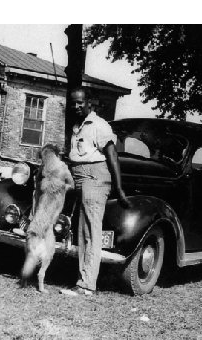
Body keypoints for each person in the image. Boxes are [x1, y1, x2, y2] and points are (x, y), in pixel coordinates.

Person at [66, 88, 130, 295]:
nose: (77, 106)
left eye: (80, 103)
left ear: (89, 104)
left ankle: (87, 285)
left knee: (91, 232)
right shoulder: (78, 126)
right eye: (73, 103)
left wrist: (119, 188)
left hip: (94, 177)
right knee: (82, 230)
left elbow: (112, 156)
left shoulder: (100, 125)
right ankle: (82, 279)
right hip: (79, 177)